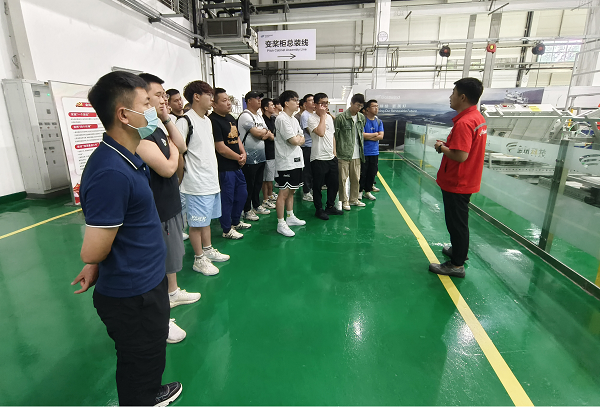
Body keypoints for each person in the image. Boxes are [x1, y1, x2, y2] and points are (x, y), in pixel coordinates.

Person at [72, 71, 182, 406]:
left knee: (149, 354)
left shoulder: (129, 156)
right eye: (147, 103)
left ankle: (149, 393)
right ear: (124, 114)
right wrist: (94, 261)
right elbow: (93, 248)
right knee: (139, 361)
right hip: (133, 294)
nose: (155, 109)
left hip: (146, 281)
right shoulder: (110, 171)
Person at [137, 73, 200, 344]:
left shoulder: (158, 127)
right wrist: (174, 152)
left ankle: (172, 293)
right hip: (157, 207)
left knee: (172, 255)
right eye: (158, 95)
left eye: (165, 95)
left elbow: (182, 146)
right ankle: (160, 316)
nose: (164, 99)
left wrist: (165, 119)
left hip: (170, 202)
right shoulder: (139, 133)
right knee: (158, 262)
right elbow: (167, 167)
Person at [429, 77, 487, 278]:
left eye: (453, 93)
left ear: (462, 97)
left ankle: (456, 265)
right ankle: (458, 250)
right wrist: (448, 146)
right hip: (467, 178)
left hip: (458, 181)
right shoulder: (477, 118)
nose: (450, 97)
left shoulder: (465, 122)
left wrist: (441, 147)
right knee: (459, 221)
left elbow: (461, 156)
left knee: (456, 223)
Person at [176, 80, 229, 276]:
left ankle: (207, 250)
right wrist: (181, 178)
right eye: (209, 95)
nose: (212, 99)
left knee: (205, 221)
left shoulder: (207, 121)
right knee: (196, 224)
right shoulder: (184, 121)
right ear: (196, 97)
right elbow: (178, 152)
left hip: (210, 181)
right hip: (195, 183)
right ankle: (199, 259)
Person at [209, 88, 251, 240]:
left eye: (229, 100)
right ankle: (226, 229)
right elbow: (220, 148)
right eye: (224, 100)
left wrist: (243, 153)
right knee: (227, 199)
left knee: (242, 194)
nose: (228, 103)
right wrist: (238, 157)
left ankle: (235, 222)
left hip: (237, 165)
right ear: (214, 104)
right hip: (225, 168)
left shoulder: (230, 118)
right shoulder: (213, 121)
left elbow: (237, 137)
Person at [274, 90, 306, 237]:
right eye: (295, 100)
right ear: (286, 103)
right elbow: (294, 140)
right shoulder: (282, 119)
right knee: (284, 192)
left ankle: (290, 216)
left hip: (297, 160)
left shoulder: (293, 119)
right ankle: (281, 223)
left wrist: (298, 139)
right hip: (286, 162)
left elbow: (302, 138)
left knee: (292, 190)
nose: (298, 103)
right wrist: (297, 139)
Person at [307, 92, 343, 220]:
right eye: (322, 103)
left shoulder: (329, 118)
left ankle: (330, 206)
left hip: (331, 157)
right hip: (318, 158)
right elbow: (321, 133)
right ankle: (319, 209)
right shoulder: (311, 119)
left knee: (334, 184)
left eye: (326, 103)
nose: (325, 106)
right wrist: (322, 116)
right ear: (315, 105)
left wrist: (334, 153)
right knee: (317, 186)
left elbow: (332, 136)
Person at [238, 91, 273, 221]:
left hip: (261, 156)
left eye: (260, 98)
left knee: (258, 183)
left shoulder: (259, 116)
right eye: (257, 98)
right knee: (249, 185)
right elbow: (258, 134)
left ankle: (256, 205)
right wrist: (262, 133)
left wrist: (262, 133)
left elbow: (268, 133)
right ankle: (247, 210)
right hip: (249, 158)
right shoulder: (245, 116)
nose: (259, 100)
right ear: (249, 101)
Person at [334, 94, 366, 211]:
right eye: (357, 105)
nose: (359, 108)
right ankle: (344, 200)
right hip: (343, 153)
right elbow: (335, 136)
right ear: (351, 103)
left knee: (356, 178)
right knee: (342, 179)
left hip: (357, 154)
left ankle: (354, 199)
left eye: (361, 106)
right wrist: (335, 152)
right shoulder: (341, 118)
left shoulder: (361, 117)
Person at [360, 99, 384, 201]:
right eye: (374, 106)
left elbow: (381, 136)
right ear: (367, 109)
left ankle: (367, 191)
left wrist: (369, 136)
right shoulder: (363, 121)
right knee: (362, 173)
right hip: (364, 152)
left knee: (372, 173)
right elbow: (362, 136)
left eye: (377, 106)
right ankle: (359, 192)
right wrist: (375, 134)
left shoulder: (379, 121)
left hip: (374, 152)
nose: (376, 108)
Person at [261, 97, 278, 209]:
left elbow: (273, 135)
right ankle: (265, 199)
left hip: (273, 151)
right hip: (266, 152)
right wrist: (270, 135)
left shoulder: (272, 119)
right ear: (266, 108)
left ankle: (270, 194)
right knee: (265, 178)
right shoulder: (262, 120)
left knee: (270, 177)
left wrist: (272, 136)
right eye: (271, 105)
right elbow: (267, 135)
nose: (274, 107)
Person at [300, 94, 315, 202]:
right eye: (310, 100)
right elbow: (309, 130)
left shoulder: (314, 114)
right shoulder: (305, 115)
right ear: (305, 103)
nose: (313, 102)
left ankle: (312, 188)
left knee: (314, 169)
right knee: (307, 170)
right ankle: (306, 192)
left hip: (314, 146)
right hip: (307, 146)